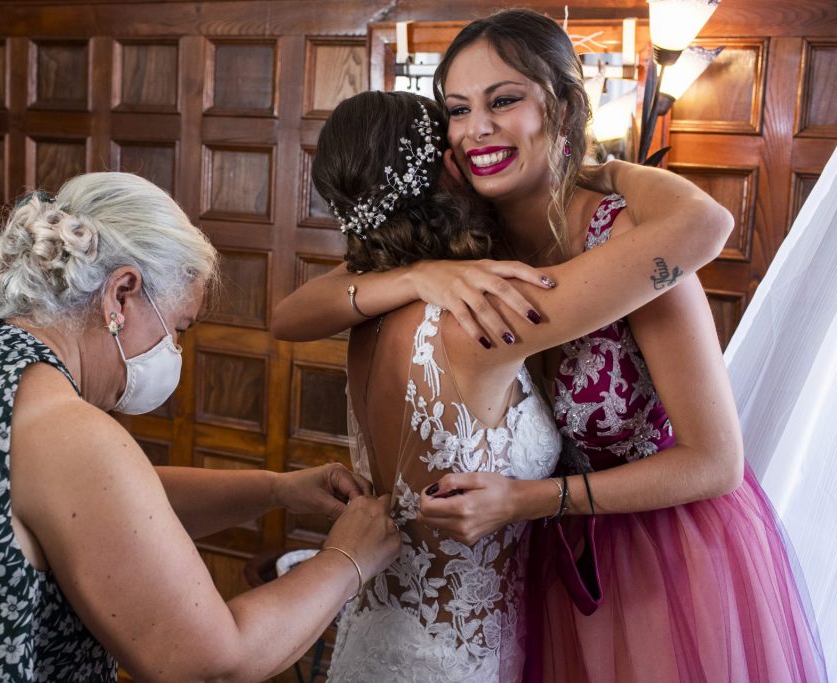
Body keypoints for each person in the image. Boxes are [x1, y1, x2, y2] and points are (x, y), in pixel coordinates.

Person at [275, 9, 828, 683]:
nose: (477, 127)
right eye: (457, 109)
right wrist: (417, 275)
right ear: (443, 152)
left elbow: (715, 460)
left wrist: (610, 169)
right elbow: (294, 312)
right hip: (529, 567)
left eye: (502, 100)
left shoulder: (626, 242)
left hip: (655, 557)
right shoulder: (470, 251)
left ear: (563, 108)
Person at [0, 172, 401, 682]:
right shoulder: (64, 426)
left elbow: (111, 509)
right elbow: (210, 661)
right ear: (121, 293)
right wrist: (347, 559)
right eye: (179, 329)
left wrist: (278, 491)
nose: (173, 351)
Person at [302, 89, 732, 682]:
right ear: (451, 167)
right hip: (459, 660)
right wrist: (604, 171)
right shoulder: (487, 315)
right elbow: (700, 229)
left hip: (375, 632)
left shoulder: (363, 311)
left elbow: (286, 317)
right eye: (456, 116)